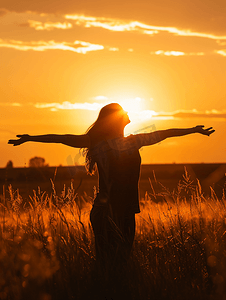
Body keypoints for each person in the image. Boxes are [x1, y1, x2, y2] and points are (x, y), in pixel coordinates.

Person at [8, 103, 215, 280]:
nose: (127, 114)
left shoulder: (134, 141)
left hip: (127, 210)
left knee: (122, 263)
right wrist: (30, 137)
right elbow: (62, 137)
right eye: (123, 111)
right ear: (114, 119)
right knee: (106, 265)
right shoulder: (97, 143)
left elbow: (165, 134)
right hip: (105, 211)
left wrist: (193, 130)